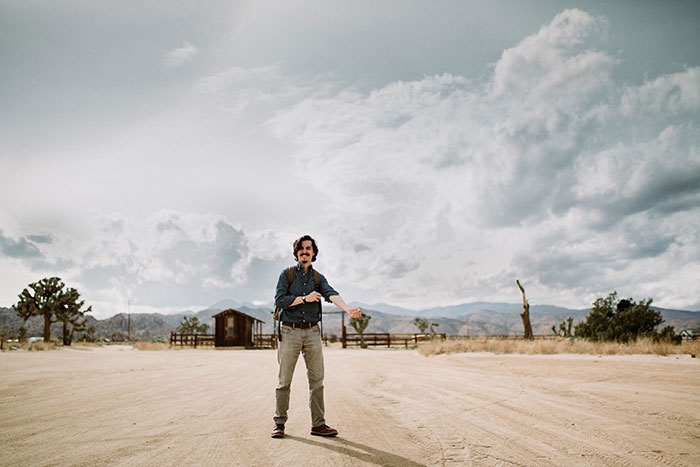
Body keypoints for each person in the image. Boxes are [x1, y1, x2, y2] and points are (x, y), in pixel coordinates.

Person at [272, 234, 362, 439]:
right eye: (301, 249)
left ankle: (318, 425)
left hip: (313, 332)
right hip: (289, 330)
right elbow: (280, 300)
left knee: (317, 381)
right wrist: (304, 298)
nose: (305, 252)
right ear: (296, 253)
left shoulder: (318, 278)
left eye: (308, 249)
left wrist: (347, 309)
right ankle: (279, 423)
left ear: (313, 253)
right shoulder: (286, 275)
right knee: (284, 381)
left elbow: (331, 293)